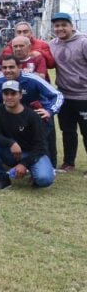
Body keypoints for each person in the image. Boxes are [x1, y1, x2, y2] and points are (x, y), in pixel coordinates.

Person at [0, 80, 55, 190]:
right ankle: (3, 179)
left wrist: (24, 164)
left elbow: (41, 146)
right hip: (10, 152)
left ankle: (32, 173)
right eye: (6, 94)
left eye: (13, 93)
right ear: (2, 95)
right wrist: (11, 143)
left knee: (44, 179)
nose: (9, 97)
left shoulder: (32, 116)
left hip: (32, 153)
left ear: (20, 95)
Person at [0, 56, 63, 167]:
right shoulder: (0, 81)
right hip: (17, 119)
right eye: (4, 67)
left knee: (42, 145)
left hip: (39, 118)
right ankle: (21, 165)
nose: (7, 70)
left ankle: (50, 168)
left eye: (11, 67)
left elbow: (57, 95)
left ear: (19, 67)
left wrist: (50, 110)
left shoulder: (32, 79)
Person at [49, 12, 87, 172]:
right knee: (68, 131)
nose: (60, 28)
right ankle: (69, 162)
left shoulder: (83, 42)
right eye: (57, 26)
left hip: (84, 95)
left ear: (72, 26)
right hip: (64, 95)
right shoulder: (52, 44)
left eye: (64, 25)